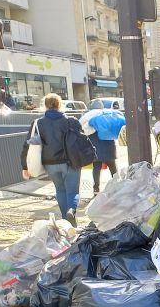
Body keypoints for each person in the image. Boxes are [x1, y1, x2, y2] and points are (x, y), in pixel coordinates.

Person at [20, 93, 83, 226]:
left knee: (60, 190)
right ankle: (71, 210)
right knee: (72, 191)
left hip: (50, 164)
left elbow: (27, 145)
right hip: (70, 162)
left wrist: (24, 166)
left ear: (45, 105)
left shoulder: (38, 123)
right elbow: (80, 140)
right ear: (60, 104)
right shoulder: (70, 120)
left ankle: (66, 222)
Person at [80, 100, 123, 194]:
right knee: (113, 167)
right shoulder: (108, 116)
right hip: (109, 146)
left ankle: (96, 188)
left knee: (96, 168)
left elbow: (84, 131)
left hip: (96, 148)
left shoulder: (89, 118)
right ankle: (117, 186)